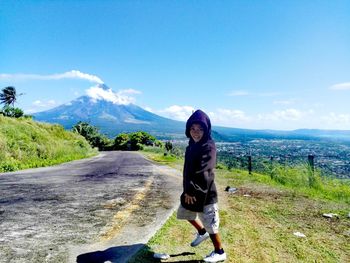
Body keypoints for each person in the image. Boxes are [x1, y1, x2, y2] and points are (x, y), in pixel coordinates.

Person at [177, 109, 227, 262]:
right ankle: (201, 232)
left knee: (211, 222)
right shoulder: (191, 146)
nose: (196, 132)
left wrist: (191, 190)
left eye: (200, 129)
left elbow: (204, 171)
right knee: (184, 212)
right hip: (189, 191)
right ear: (188, 129)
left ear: (206, 130)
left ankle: (219, 252)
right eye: (192, 129)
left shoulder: (209, 146)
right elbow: (187, 171)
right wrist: (187, 190)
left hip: (205, 193)